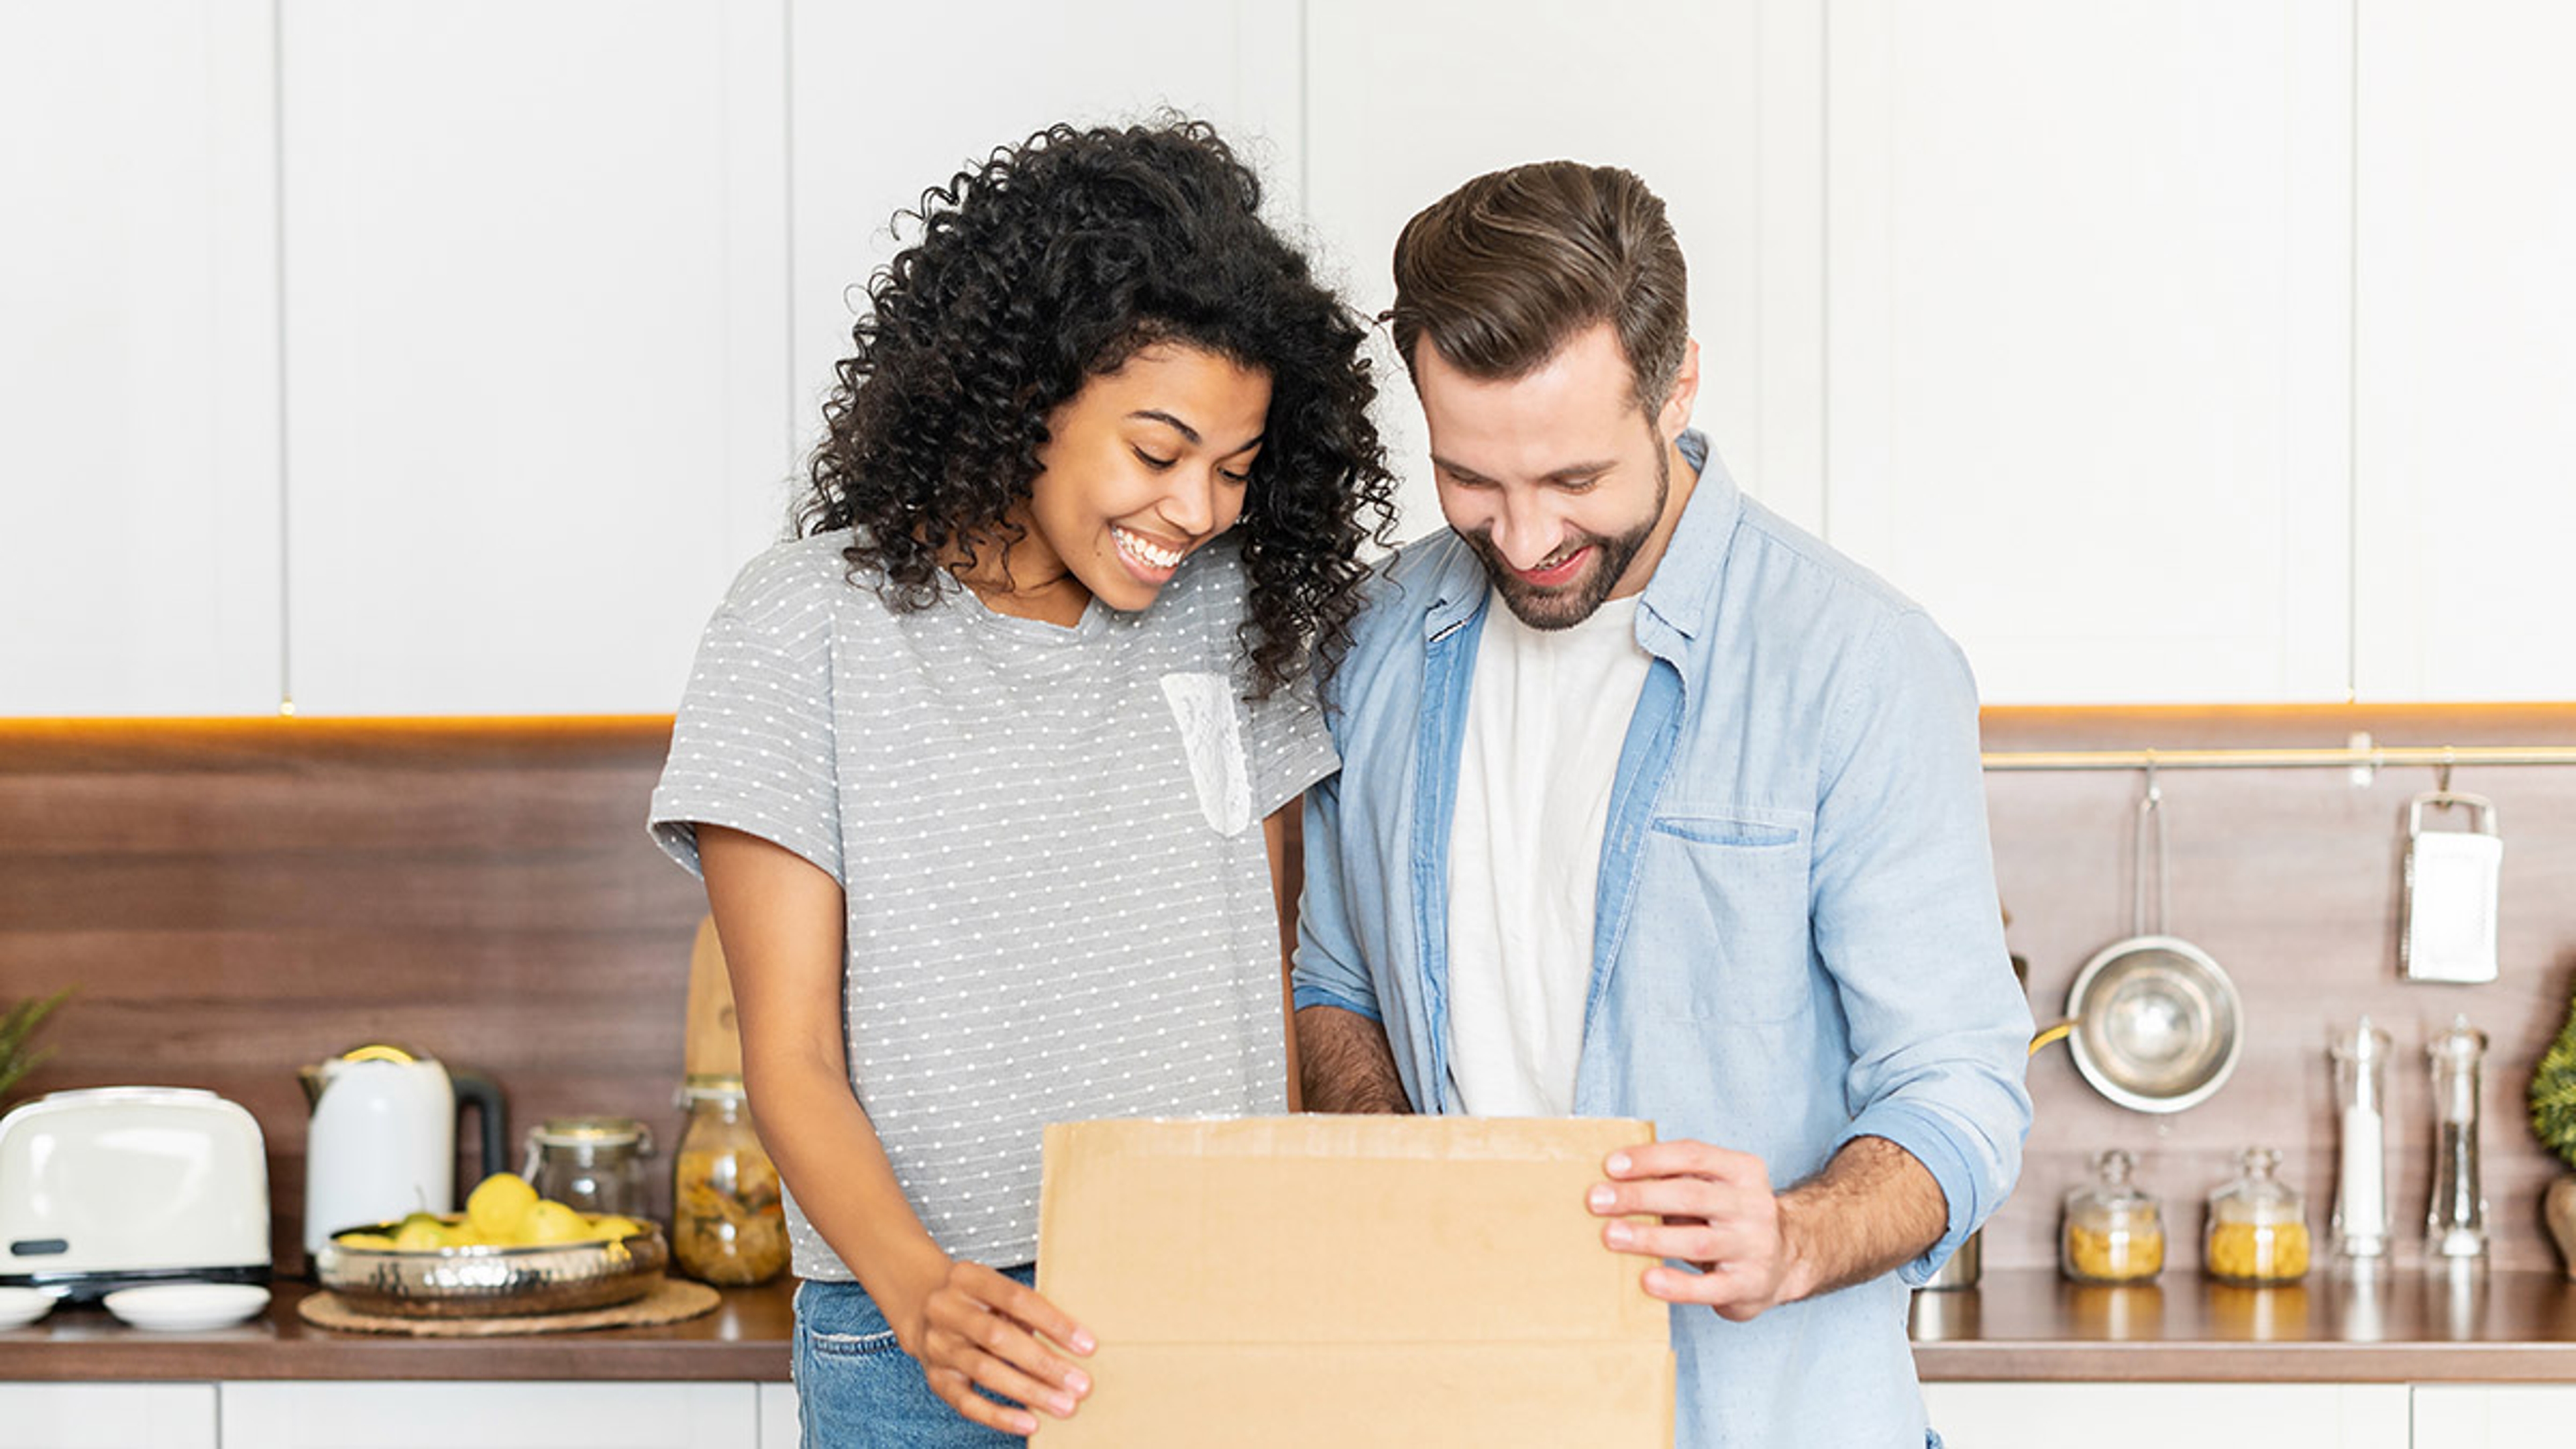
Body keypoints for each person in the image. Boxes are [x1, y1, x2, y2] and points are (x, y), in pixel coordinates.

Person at [648, 119, 1393, 1446]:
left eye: (1234, 468)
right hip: (918, 1334)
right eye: (1157, 453)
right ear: (1025, 395)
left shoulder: (1235, 616)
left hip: (1213, 1312)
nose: (1200, 510)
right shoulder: (805, 626)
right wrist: (922, 1289)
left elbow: (1266, 981)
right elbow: (793, 1055)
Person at [1291, 160, 2032, 1448]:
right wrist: (1406, 1180)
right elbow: (1337, 987)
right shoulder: (1371, 642)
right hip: (1457, 1411)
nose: (1523, 537)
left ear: (1677, 382)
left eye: (1575, 479)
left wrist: (1796, 1237)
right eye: (1471, 478)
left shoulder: (1856, 663)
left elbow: (1960, 1088)